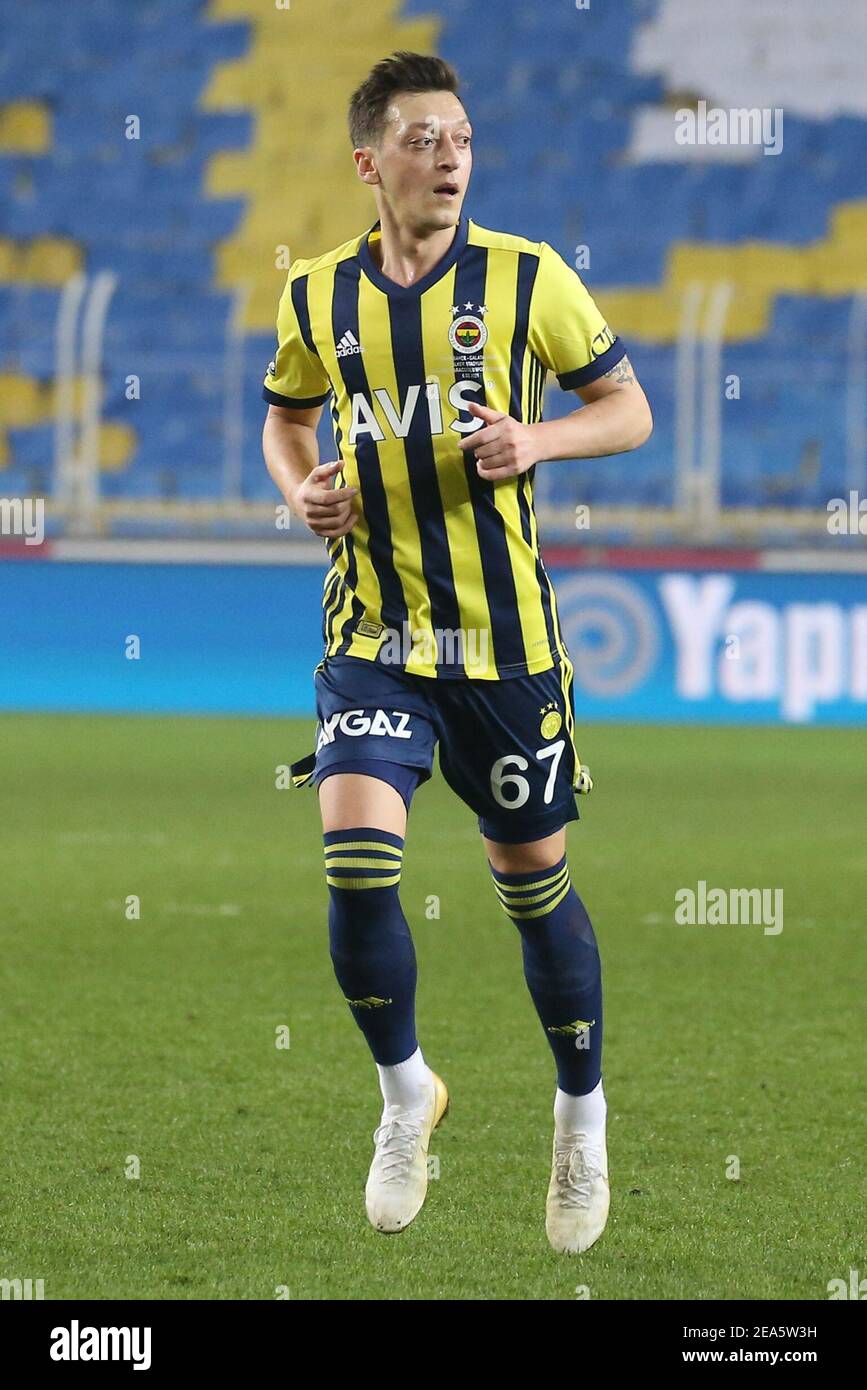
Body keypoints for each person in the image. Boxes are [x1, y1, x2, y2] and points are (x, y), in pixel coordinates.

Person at [262, 51, 652, 1253]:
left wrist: (538, 438)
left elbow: (630, 409)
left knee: (534, 896)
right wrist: (300, 494)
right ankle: (404, 1097)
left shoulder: (532, 280)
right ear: (370, 160)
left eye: (465, 137)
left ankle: (579, 1118)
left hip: (507, 649)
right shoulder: (317, 296)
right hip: (374, 637)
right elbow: (282, 419)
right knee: (357, 865)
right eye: (425, 138)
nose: (451, 156)